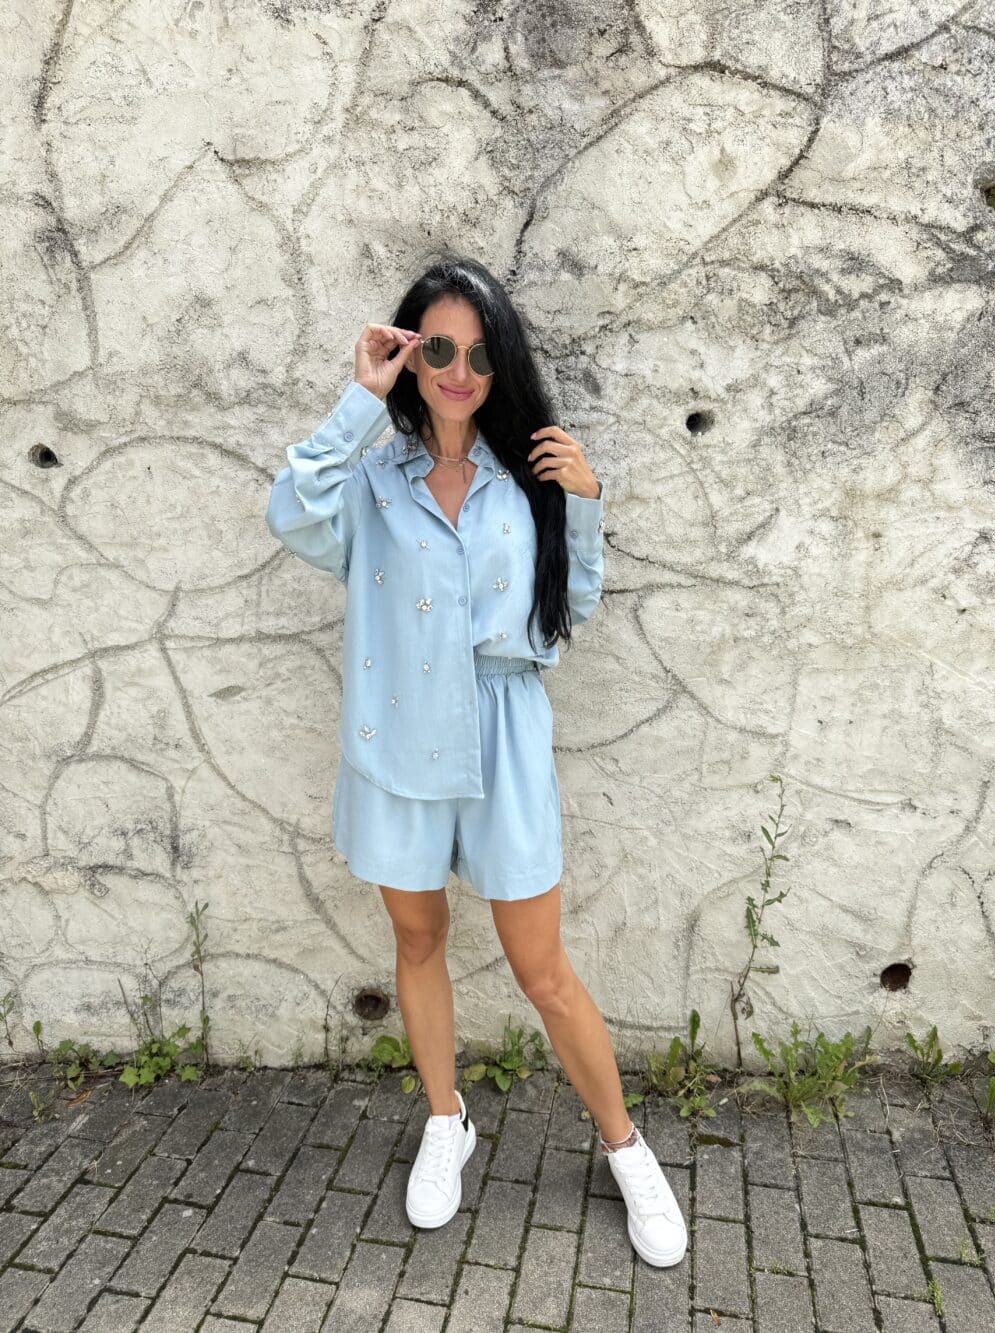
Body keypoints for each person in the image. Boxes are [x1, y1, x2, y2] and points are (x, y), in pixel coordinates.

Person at [265, 255, 687, 1267]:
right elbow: (290, 511)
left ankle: (626, 1148)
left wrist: (584, 503)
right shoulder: (371, 480)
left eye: (481, 354)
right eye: (440, 349)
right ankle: (445, 1118)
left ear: (503, 367)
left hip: (504, 737)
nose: (460, 372)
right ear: (411, 355)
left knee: (542, 970)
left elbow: (570, 607)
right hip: (398, 733)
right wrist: (358, 399)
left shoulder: (529, 476)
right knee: (418, 940)